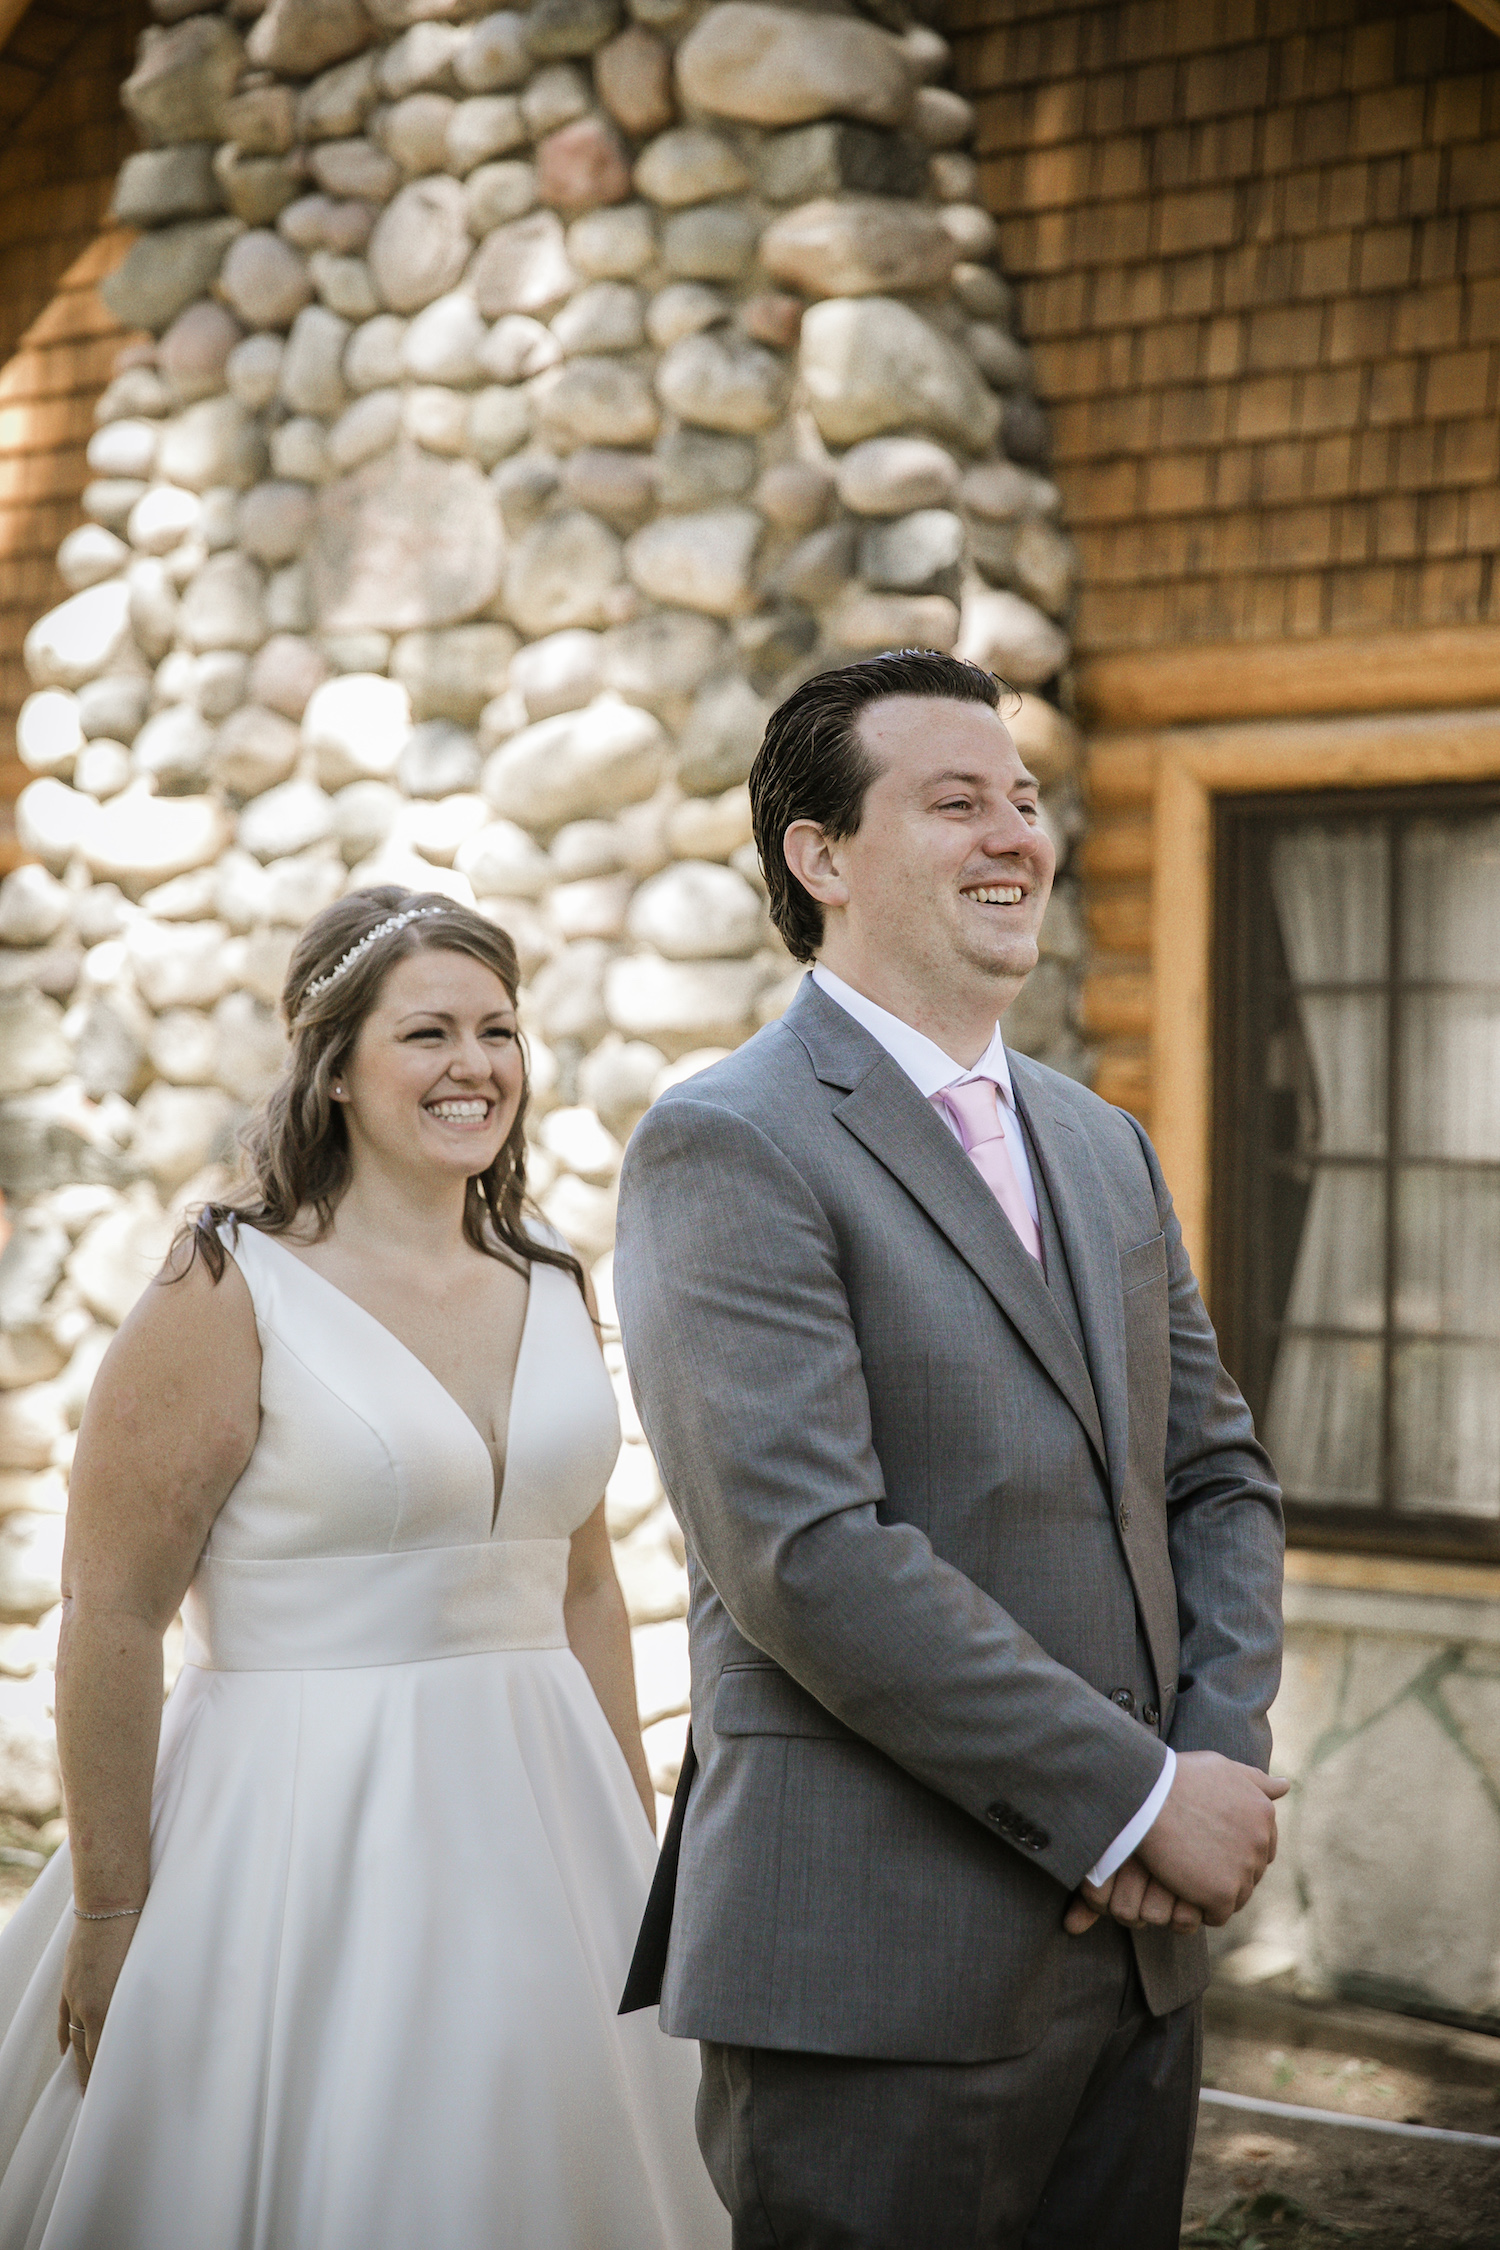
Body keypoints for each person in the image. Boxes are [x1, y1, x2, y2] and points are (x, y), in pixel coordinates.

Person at [614, 652, 1286, 2249]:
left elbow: (1218, 1476)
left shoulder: (1101, 1140)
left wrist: (1219, 1756)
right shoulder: (727, 1142)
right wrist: (1134, 1803)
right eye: (956, 800)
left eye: (1027, 800)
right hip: (874, 1970)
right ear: (822, 855)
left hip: (1137, 1971)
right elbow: (807, 1559)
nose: (1015, 836)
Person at [0, 887, 728, 2250]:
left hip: (547, 1814)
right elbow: (113, 1611)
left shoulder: (554, 1273)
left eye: (499, 1030)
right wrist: (109, 1904)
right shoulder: (227, 1284)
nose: (477, 1065)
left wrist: (631, 1846)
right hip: (303, 1826)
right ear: (333, 1065)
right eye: (430, 1032)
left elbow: (579, 1585)